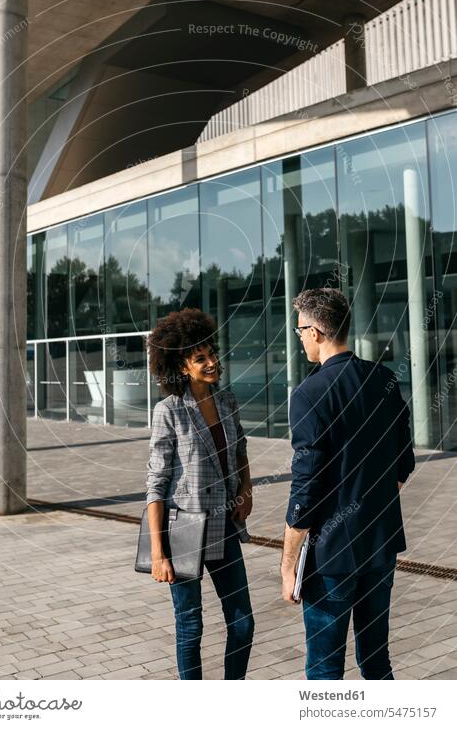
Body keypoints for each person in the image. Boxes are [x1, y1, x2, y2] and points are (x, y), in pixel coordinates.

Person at [281, 287, 415, 680]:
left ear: (317, 332)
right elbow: (403, 463)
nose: (300, 337)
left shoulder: (309, 394)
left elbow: (305, 488)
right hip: (380, 547)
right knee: (377, 662)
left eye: (300, 330)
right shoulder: (384, 380)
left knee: (324, 670)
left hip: (331, 557)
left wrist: (288, 565)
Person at [145, 307, 254, 680]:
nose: (211, 363)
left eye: (212, 354)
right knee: (191, 628)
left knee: (243, 622)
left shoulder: (227, 401)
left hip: (224, 526)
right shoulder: (169, 411)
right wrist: (159, 554)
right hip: (185, 533)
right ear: (181, 367)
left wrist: (247, 488)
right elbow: (156, 483)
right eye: (200, 358)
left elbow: (240, 449)